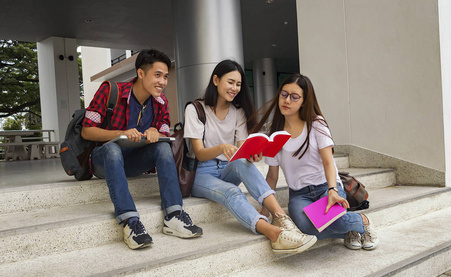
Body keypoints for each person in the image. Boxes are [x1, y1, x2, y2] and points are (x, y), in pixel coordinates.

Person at [183, 60, 317, 254]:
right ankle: (274, 234)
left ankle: (281, 218)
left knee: (240, 161)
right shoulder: (195, 109)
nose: (235, 88)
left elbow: (240, 151)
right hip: (201, 173)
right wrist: (221, 147)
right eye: (230, 82)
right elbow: (199, 153)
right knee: (231, 192)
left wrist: (251, 155)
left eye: (238, 84)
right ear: (215, 80)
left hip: (227, 167)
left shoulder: (237, 112)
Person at [81, 49, 202, 250]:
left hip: (132, 161)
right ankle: (130, 222)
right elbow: (87, 130)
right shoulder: (111, 90)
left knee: (163, 147)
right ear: (140, 74)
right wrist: (121, 134)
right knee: (112, 151)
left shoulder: (161, 102)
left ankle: (173, 215)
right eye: (157, 75)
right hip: (104, 160)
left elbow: (164, 133)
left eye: (165, 77)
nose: (162, 82)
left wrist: (154, 131)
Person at [253, 73, 379, 250]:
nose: (287, 100)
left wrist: (333, 190)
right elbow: (272, 176)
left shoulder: (316, 124)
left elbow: (328, 162)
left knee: (336, 221)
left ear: (304, 101)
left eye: (294, 96)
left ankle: (362, 222)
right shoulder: (275, 135)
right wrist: (265, 209)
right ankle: (350, 229)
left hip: (325, 186)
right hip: (299, 195)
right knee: (306, 229)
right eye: (284, 94)